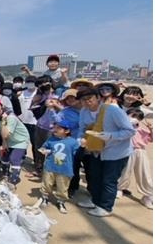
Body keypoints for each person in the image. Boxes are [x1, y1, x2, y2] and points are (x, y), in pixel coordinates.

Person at [76, 88, 135, 217]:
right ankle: (95, 201)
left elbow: (130, 131)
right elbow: (81, 129)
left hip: (116, 152)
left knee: (109, 180)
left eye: (89, 98)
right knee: (95, 177)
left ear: (98, 97)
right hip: (95, 150)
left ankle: (106, 207)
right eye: (83, 100)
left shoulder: (112, 111)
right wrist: (80, 139)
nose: (87, 102)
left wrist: (109, 136)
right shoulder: (84, 112)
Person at [37, 119, 79, 214]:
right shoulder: (51, 139)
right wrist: (44, 150)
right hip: (50, 166)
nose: (55, 130)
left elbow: (77, 154)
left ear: (67, 131)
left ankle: (61, 201)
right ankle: (45, 197)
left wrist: (83, 147)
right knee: (46, 183)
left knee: (63, 186)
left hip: (65, 169)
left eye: (58, 128)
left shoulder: (73, 142)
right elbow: (44, 147)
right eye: (54, 128)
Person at [0, 98, 30, 187]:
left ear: (1, 105)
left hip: (20, 141)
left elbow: (6, 134)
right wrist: (4, 143)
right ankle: (5, 176)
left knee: (14, 159)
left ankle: (13, 181)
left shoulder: (11, 117)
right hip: (9, 140)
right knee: (4, 157)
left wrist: (3, 122)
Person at [116, 108, 153, 209]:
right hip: (126, 150)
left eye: (137, 118)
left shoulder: (141, 129)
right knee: (125, 171)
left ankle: (148, 195)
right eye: (132, 116)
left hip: (140, 151)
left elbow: (151, 139)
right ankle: (119, 189)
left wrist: (151, 129)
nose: (134, 119)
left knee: (144, 172)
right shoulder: (122, 127)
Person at [18, 75, 38, 165]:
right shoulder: (22, 93)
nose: (30, 84)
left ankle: (36, 160)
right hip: (22, 121)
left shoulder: (38, 93)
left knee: (35, 142)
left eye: (32, 82)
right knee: (22, 141)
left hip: (35, 122)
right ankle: (22, 157)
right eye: (28, 82)